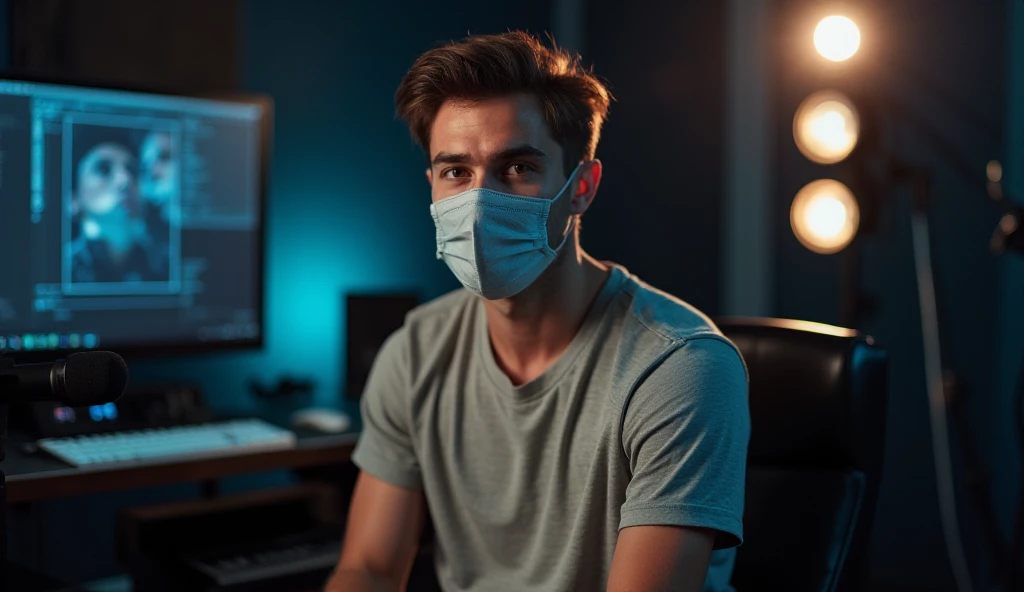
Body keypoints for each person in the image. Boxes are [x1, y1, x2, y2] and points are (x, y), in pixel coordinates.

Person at [328, 31, 750, 592]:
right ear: (431, 186)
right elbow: (370, 569)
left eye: (518, 168)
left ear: (581, 188)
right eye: (456, 172)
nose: (479, 203)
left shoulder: (680, 369)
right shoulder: (414, 353)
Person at [68, 125, 170, 285]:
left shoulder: (164, 268)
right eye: (103, 169)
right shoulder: (62, 269)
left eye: (133, 170)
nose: (125, 180)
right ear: (73, 199)